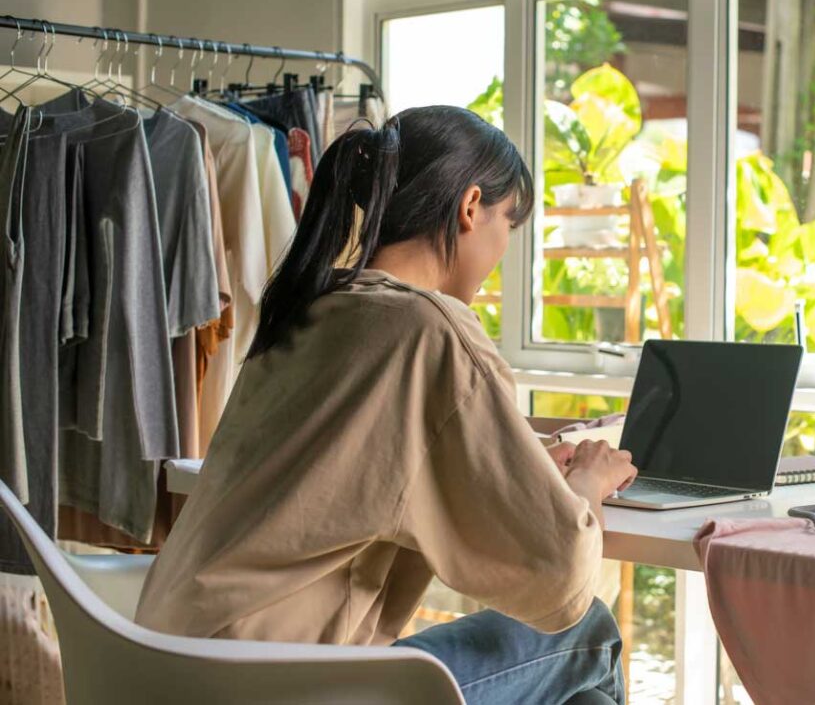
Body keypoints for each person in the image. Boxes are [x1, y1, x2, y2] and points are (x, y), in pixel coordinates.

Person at [135, 106, 639, 705]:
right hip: (280, 683)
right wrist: (586, 483)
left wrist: (529, 462)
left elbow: (361, 458)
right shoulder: (429, 327)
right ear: (471, 206)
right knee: (589, 631)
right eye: (509, 221)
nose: (504, 246)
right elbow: (560, 577)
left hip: (169, 660)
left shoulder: (315, 305)